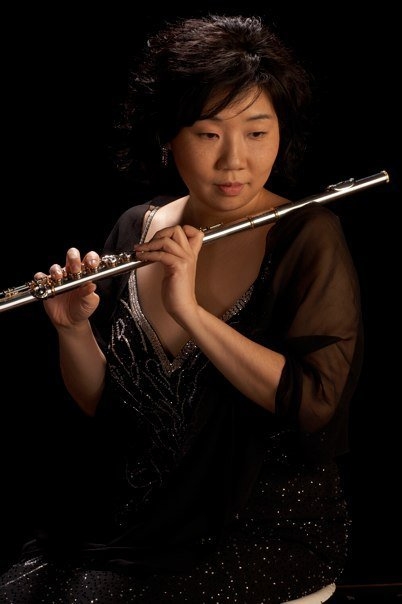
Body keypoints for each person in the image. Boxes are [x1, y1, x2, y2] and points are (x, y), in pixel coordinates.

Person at [0, 14, 363, 604]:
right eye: (208, 134)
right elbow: (106, 406)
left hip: (261, 525)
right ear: (168, 136)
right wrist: (72, 329)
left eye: (257, 132)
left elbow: (314, 403)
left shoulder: (308, 235)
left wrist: (190, 311)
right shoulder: (137, 228)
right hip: (137, 518)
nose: (234, 161)